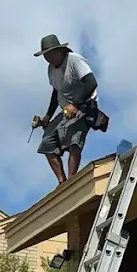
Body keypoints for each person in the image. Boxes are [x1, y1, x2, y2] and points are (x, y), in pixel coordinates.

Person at [32, 33, 100, 184]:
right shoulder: (51, 69)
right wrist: (48, 116)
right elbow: (56, 92)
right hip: (66, 110)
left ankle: (71, 180)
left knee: (74, 139)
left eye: (50, 54)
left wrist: (75, 104)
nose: (47, 58)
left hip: (86, 106)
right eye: (45, 56)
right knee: (47, 143)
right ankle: (62, 183)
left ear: (60, 51)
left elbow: (91, 83)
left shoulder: (74, 60)